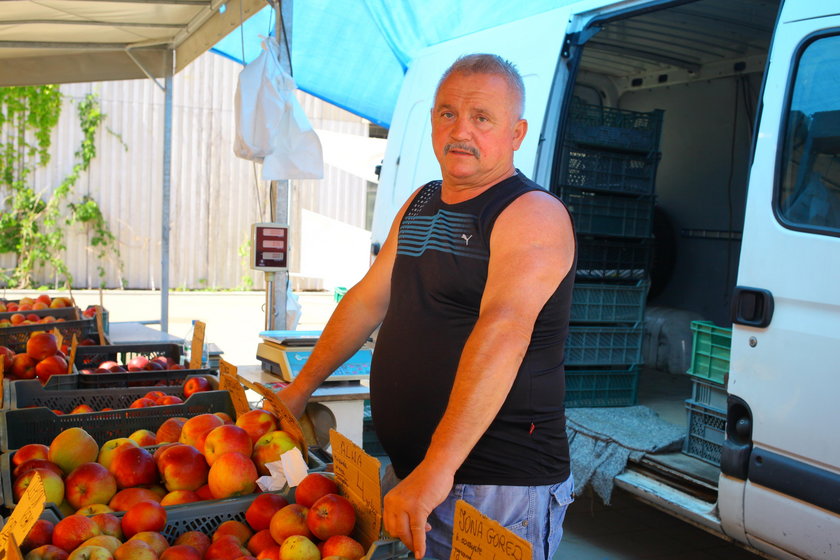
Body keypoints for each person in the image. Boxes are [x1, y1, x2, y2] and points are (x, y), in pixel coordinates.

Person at [279, 53, 576, 560]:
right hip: (421, 471)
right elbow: (368, 300)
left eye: (482, 117)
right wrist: (300, 389)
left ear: (517, 133)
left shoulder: (531, 213)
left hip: (492, 486)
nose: (461, 130)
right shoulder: (423, 201)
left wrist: (438, 468)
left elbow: (502, 334)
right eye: (446, 113)